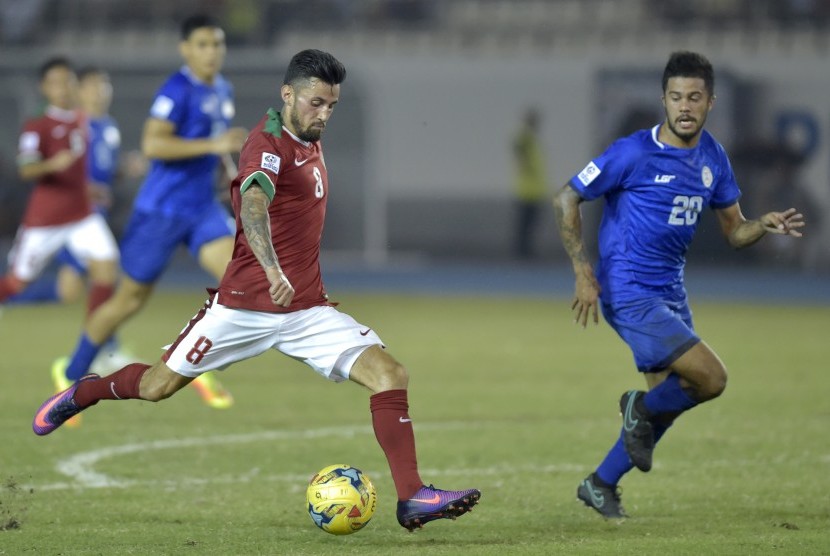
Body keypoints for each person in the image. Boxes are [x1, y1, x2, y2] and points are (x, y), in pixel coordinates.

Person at [33, 48, 481, 532]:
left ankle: (413, 496)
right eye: (315, 102)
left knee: (391, 374)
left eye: (332, 105)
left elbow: (294, 221)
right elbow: (253, 205)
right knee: (156, 387)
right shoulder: (266, 144)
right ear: (287, 94)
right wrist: (272, 269)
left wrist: (304, 284)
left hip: (305, 311)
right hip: (243, 307)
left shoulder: (307, 138)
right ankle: (86, 392)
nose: (324, 114)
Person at [552, 51, 805, 519]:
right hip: (629, 290)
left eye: (694, 97)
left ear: (710, 101)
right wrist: (581, 270)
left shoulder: (713, 157)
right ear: (663, 101)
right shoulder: (631, 152)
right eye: (675, 97)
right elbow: (567, 197)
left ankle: (600, 482)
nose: (684, 106)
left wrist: (762, 225)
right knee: (711, 378)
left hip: (671, 292)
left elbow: (735, 231)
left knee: (668, 403)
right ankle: (638, 408)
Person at [53, 14, 248, 410]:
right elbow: (153, 144)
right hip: (160, 211)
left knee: (242, 280)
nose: (212, 52)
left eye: (217, 44)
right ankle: (71, 374)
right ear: (186, 49)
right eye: (203, 45)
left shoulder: (222, 89)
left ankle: (192, 360)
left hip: (201, 211)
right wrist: (213, 145)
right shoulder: (176, 89)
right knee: (128, 300)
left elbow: (216, 149)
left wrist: (229, 174)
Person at [9, 66, 137, 374]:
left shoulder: (108, 127)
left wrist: (124, 169)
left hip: (92, 218)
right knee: (105, 276)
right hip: (73, 219)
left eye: (104, 87)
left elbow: (104, 173)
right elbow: (54, 170)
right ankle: (105, 350)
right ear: (79, 90)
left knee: (71, 290)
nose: (100, 93)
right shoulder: (75, 125)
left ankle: (102, 349)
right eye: (93, 86)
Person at [512, 107, 548, 260]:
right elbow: (517, 146)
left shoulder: (532, 139)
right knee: (525, 224)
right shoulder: (526, 139)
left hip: (535, 190)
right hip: (527, 191)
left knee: (531, 224)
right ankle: (522, 251)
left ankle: (526, 250)